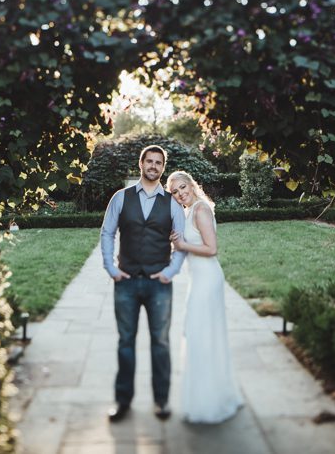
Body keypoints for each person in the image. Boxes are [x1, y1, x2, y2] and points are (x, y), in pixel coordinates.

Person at [100, 145, 186, 422]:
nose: (153, 166)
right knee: (125, 342)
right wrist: (111, 268)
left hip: (159, 284)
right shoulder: (121, 198)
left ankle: (161, 401)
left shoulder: (172, 203)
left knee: (160, 343)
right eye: (149, 161)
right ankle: (122, 401)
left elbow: (181, 243)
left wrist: (171, 271)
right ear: (141, 164)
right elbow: (107, 232)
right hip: (125, 281)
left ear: (163, 168)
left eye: (158, 163)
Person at [166, 170, 244, 423]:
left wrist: (182, 245)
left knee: (201, 335)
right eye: (175, 192)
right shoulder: (189, 212)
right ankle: (211, 394)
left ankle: (211, 401)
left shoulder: (200, 210)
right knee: (200, 335)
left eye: (182, 188)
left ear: (191, 185)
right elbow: (189, 247)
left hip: (208, 281)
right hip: (197, 280)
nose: (180, 194)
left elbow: (211, 249)